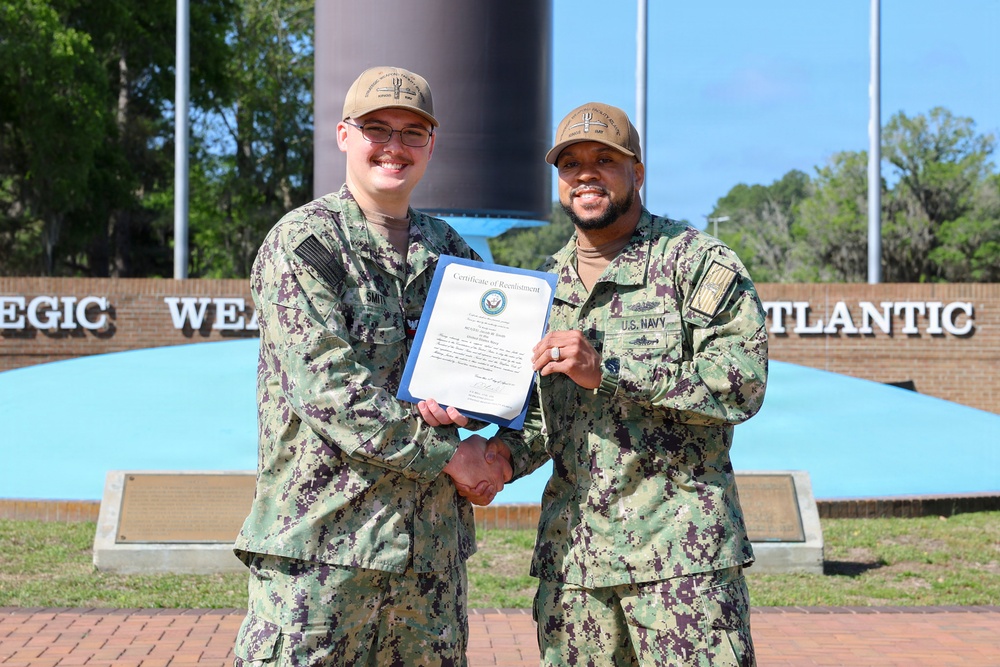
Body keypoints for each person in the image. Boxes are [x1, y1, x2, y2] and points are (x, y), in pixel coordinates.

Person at [232, 66, 512, 667]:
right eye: (377, 129)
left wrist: (498, 447)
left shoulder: (452, 252)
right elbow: (329, 388)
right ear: (343, 136)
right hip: (323, 555)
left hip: (427, 560)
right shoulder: (304, 244)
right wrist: (453, 455)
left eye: (413, 132)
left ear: (431, 145)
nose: (394, 146)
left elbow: (498, 367)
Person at [495, 103, 768, 667]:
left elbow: (742, 385)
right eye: (571, 164)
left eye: (605, 160)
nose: (586, 174)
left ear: (637, 173)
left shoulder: (695, 262)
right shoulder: (544, 287)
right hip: (576, 567)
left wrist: (609, 369)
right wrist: (491, 458)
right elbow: (542, 421)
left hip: (680, 563)